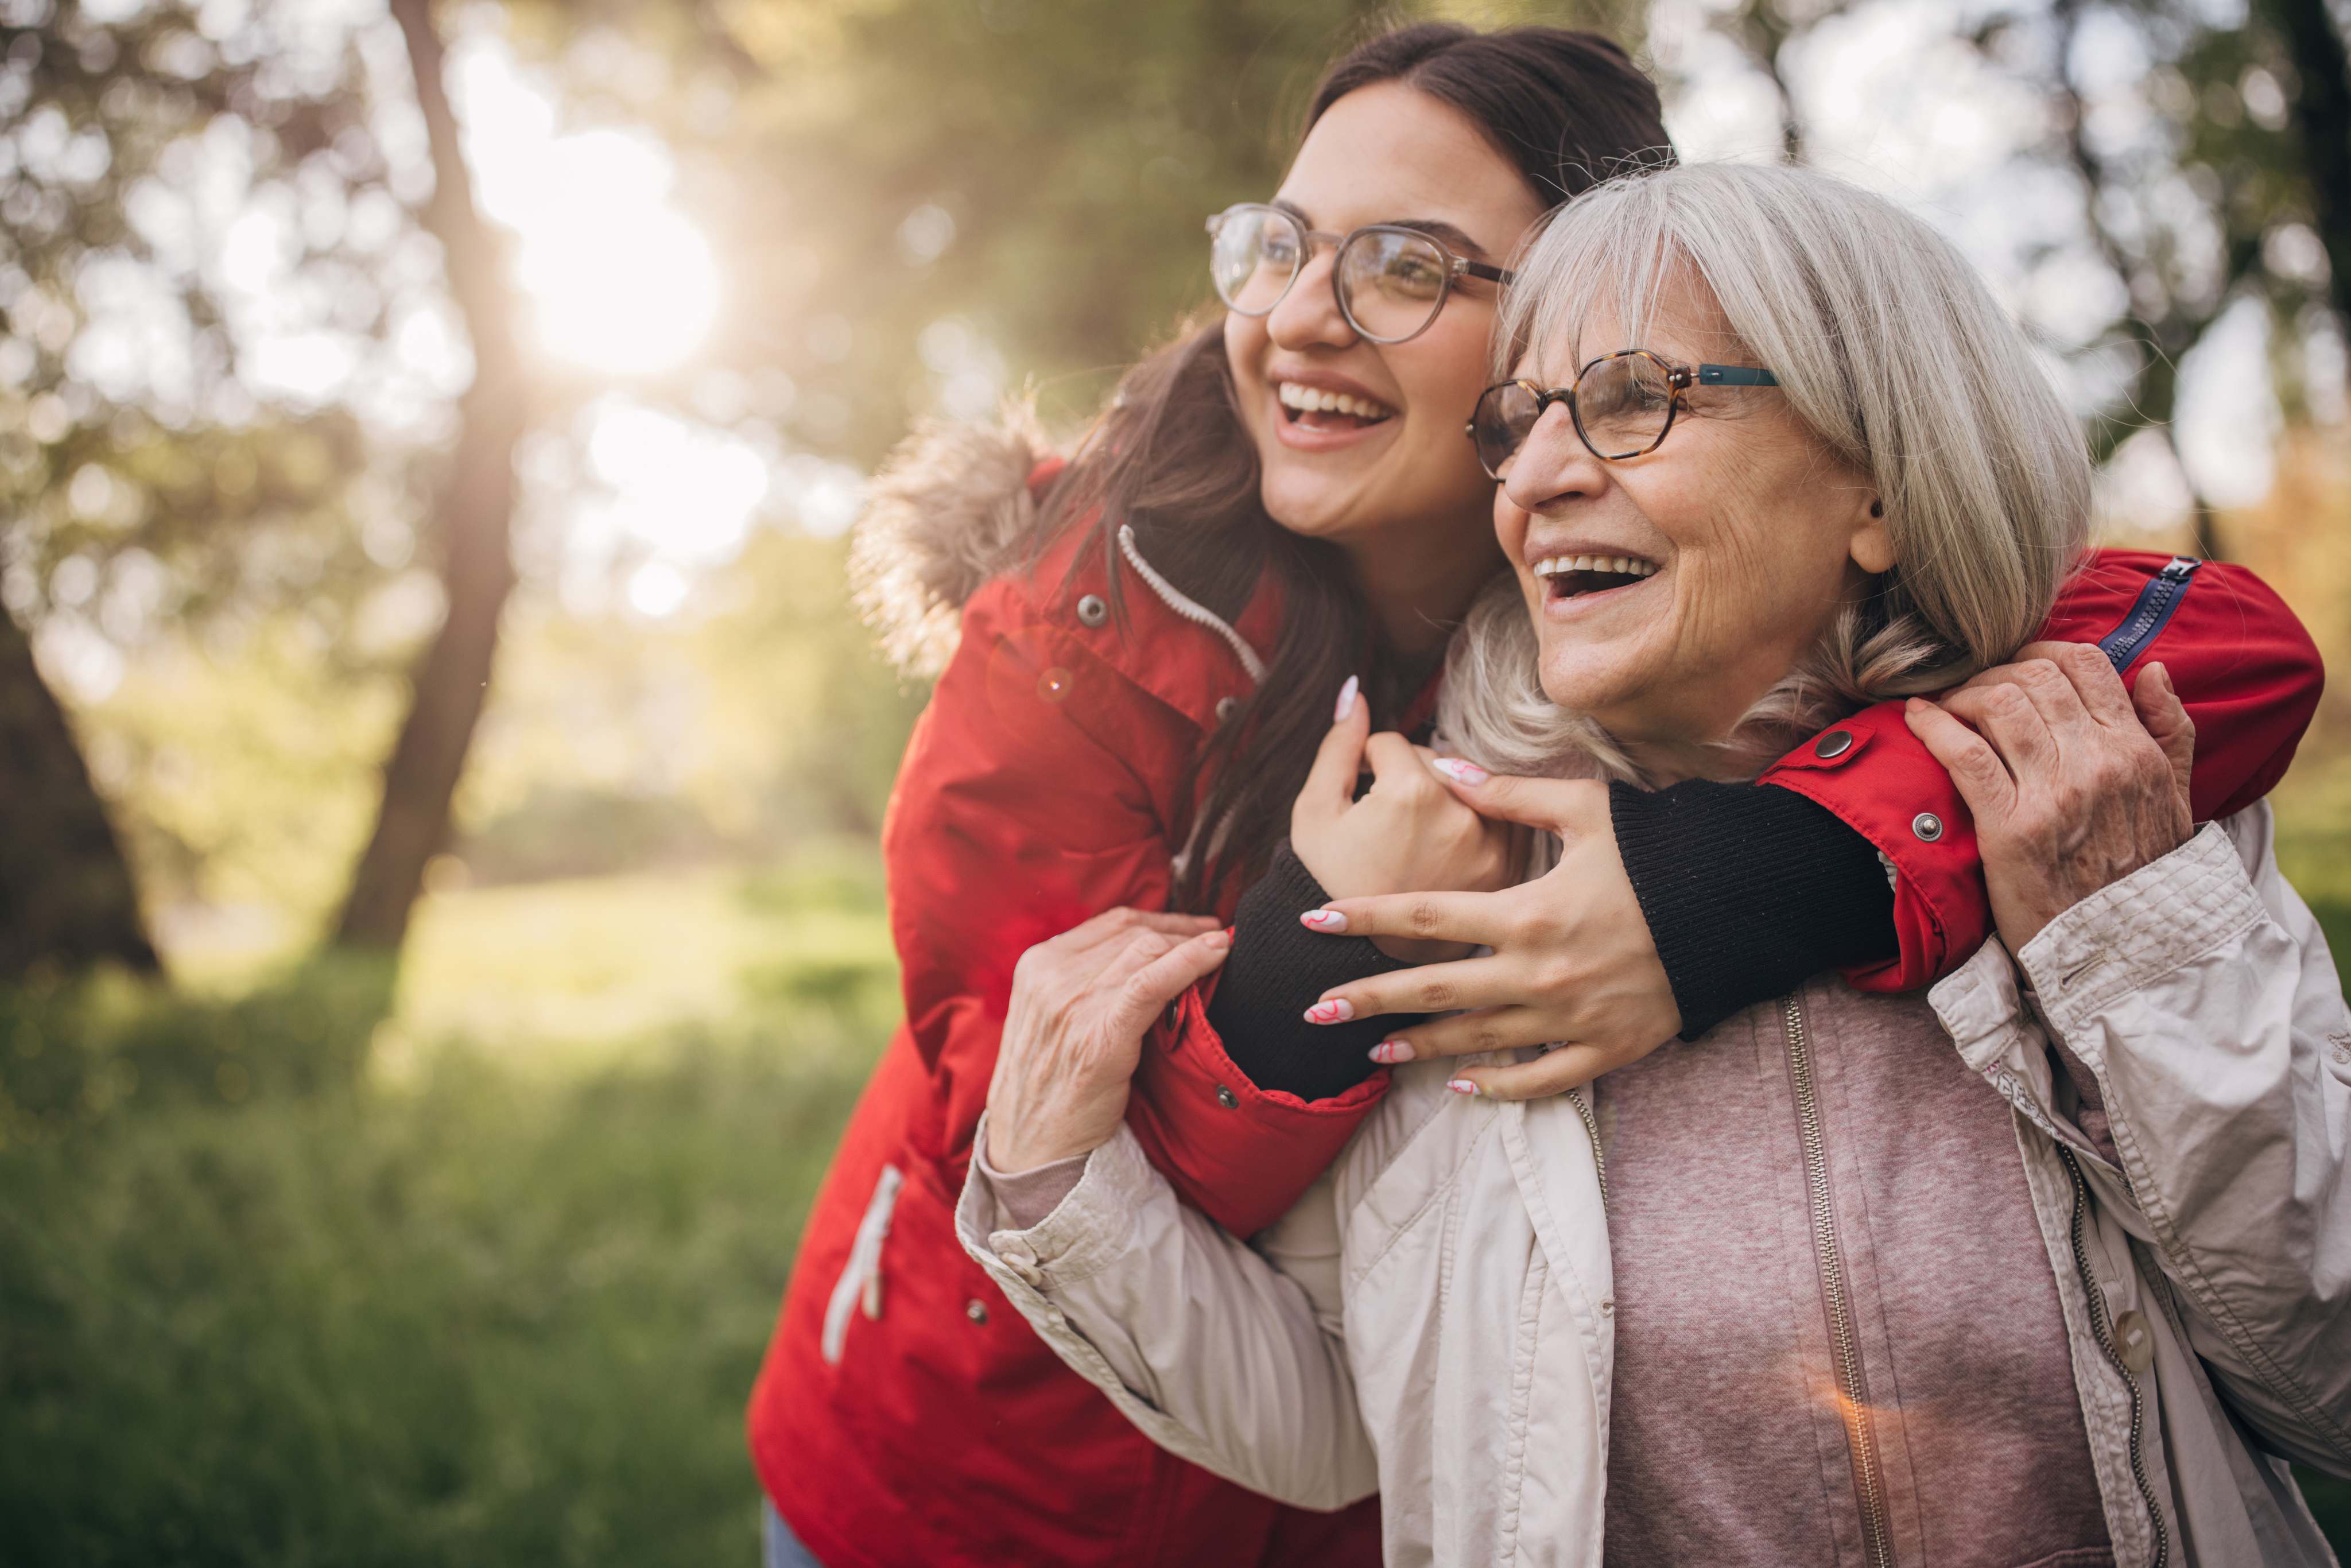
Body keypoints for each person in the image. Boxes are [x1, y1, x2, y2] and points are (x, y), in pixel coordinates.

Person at [748, 24, 2322, 1568]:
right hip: (979, 1462)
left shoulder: (1672, 647)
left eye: (1409, 267)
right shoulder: (1090, 616)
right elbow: (1037, 1135)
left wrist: (1759, 871)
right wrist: (1329, 944)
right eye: (1283, 245)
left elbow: (2216, 640)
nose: (1302, 316)